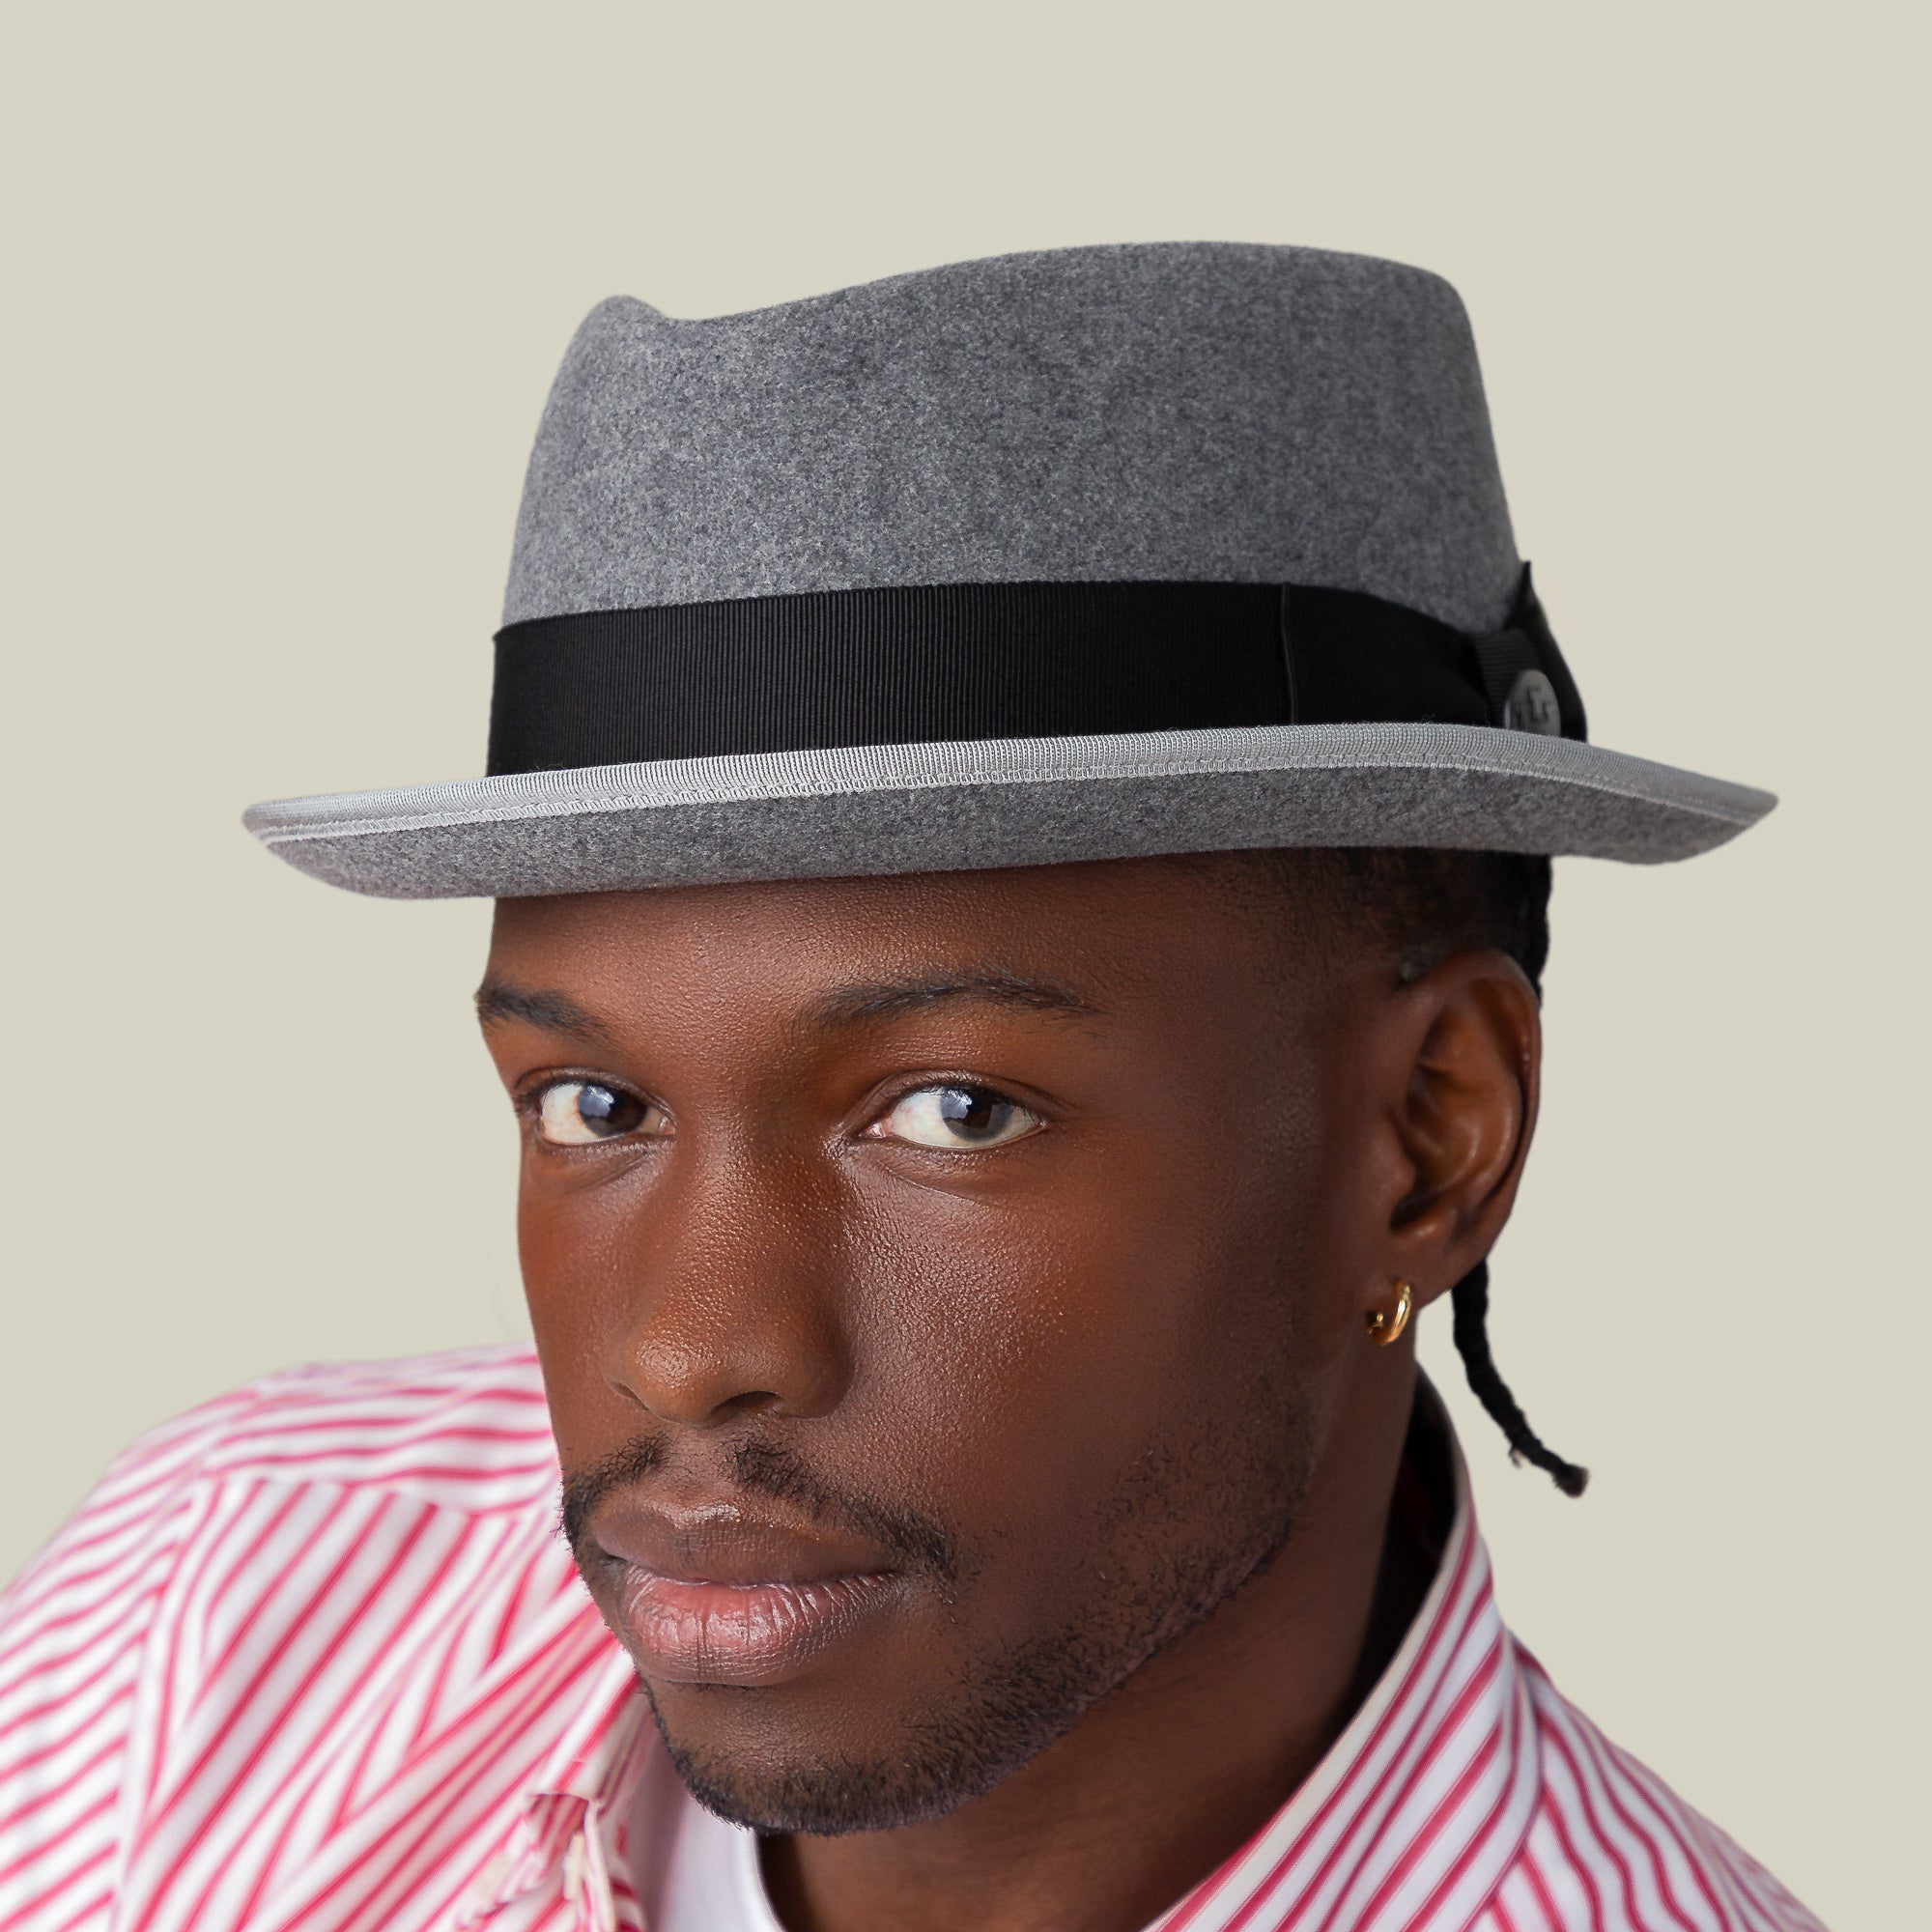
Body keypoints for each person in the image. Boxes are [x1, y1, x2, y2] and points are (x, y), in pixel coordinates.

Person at [0, 243, 1823, 1931]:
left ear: (1429, 1141)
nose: (691, 1348)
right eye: (592, 1107)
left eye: (953, 1111)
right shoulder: (224, 1594)